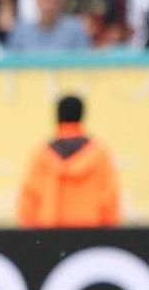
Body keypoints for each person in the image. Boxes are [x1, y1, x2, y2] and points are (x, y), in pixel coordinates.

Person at [16, 95, 122, 228]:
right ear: (82, 115)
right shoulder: (100, 153)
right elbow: (110, 198)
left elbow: (28, 199)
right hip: (91, 236)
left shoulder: (41, 154)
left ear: (57, 116)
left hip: (48, 236)